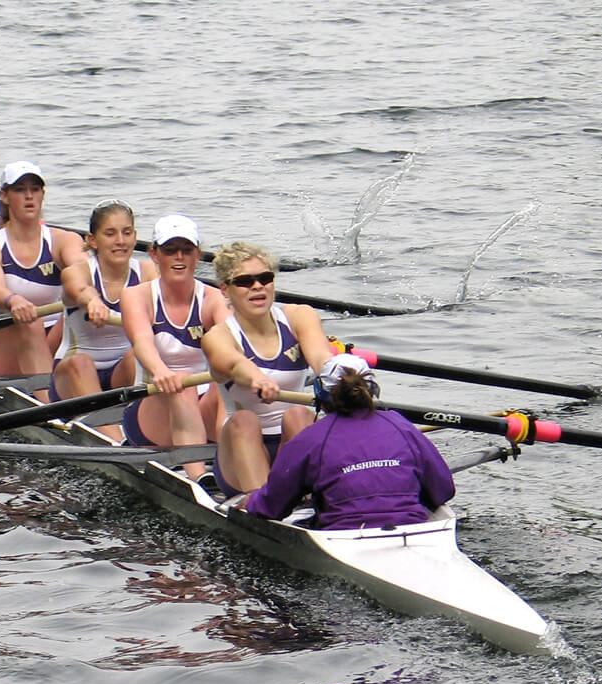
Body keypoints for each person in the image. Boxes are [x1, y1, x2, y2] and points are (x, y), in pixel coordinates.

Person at [241, 354, 457, 530]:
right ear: (371, 391)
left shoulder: (310, 439)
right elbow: (443, 489)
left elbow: (270, 508)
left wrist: (249, 502)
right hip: (412, 528)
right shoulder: (401, 425)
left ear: (319, 393)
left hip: (343, 535)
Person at [202, 242, 333, 496]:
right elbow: (232, 363)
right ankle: (261, 505)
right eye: (244, 281)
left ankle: (305, 498)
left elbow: (320, 356)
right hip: (239, 452)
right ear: (225, 290)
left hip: (292, 440)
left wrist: (341, 376)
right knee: (244, 420)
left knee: (299, 415)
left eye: (264, 278)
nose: (257, 286)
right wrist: (256, 378)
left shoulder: (299, 317)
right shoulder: (217, 336)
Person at [119, 214, 230, 484]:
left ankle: (232, 465)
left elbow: (233, 344)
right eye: (170, 250)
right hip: (151, 411)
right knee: (182, 386)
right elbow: (142, 343)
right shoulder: (136, 296)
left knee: (228, 380)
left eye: (186, 250)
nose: (179, 257)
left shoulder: (215, 299)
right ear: (154, 255)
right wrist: (160, 371)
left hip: (201, 410)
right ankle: (199, 478)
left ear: (197, 255)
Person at [0, 161, 86, 401]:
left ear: (43, 194)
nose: (29, 196)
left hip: (54, 341)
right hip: (7, 347)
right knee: (29, 324)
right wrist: (13, 300)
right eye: (20, 190)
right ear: (4, 196)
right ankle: (48, 409)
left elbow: (81, 267)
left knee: (80, 307)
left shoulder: (65, 240)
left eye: (35, 189)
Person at [53, 200, 158, 439]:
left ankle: (140, 426)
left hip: (121, 373)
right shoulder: (78, 271)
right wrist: (92, 301)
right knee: (81, 362)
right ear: (92, 240)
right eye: (110, 234)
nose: (120, 241)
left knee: (139, 355)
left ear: (135, 237)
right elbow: (79, 288)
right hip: (72, 375)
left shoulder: (148, 272)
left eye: (127, 233)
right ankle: (117, 440)